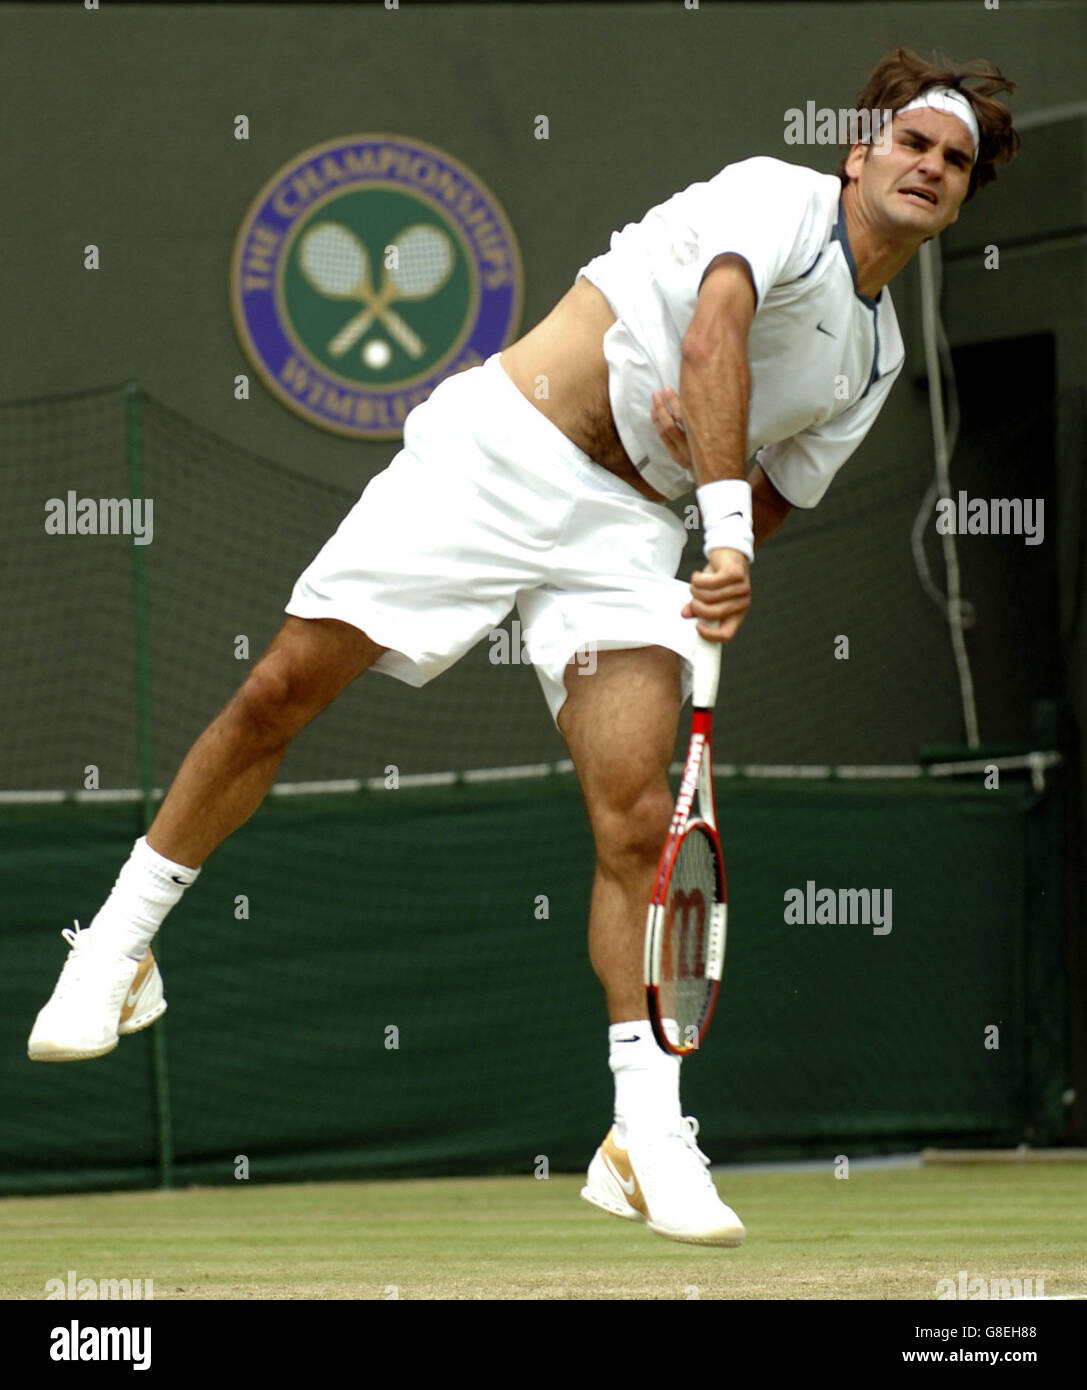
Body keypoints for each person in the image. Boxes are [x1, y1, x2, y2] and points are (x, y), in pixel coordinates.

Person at [29, 48, 1018, 1247]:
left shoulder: (875, 360)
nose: (930, 167)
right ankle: (122, 944)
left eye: (955, 161)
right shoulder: (777, 199)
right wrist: (716, 481)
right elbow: (712, 346)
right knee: (281, 686)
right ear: (858, 150)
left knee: (637, 819)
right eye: (913, 142)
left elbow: (770, 501)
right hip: (505, 451)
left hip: (626, 537)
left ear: (963, 198)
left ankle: (642, 1135)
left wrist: (721, 543)